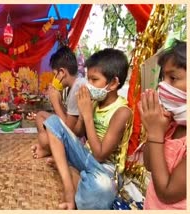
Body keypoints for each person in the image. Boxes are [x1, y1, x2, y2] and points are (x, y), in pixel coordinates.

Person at [43, 48, 132, 209]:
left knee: (100, 190)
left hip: (105, 169)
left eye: (94, 79)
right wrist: (84, 113)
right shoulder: (94, 102)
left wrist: (87, 115)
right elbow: (77, 132)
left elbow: (100, 155)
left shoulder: (122, 112)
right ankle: (70, 187)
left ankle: (72, 171)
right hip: (86, 156)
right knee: (53, 122)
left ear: (112, 83)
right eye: (88, 79)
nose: (89, 85)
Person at [139, 40, 186, 209]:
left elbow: (167, 193)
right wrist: (152, 129)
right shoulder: (171, 124)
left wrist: (155, 134)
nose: (163, 85)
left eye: (173, 78)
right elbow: (149, 164)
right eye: (163, 77)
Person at [31, 46, 86, 159]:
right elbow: (69, 116)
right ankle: (48, 147)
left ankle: (47, 147)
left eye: (55, 75)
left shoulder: (77, 87)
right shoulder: (76, 83)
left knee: (44, 139)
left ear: (62, 72)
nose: (55, 78)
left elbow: (69, 130)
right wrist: (59, 101)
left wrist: (56, 102)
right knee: (40, 115)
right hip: (72, 130)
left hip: (76, 142)